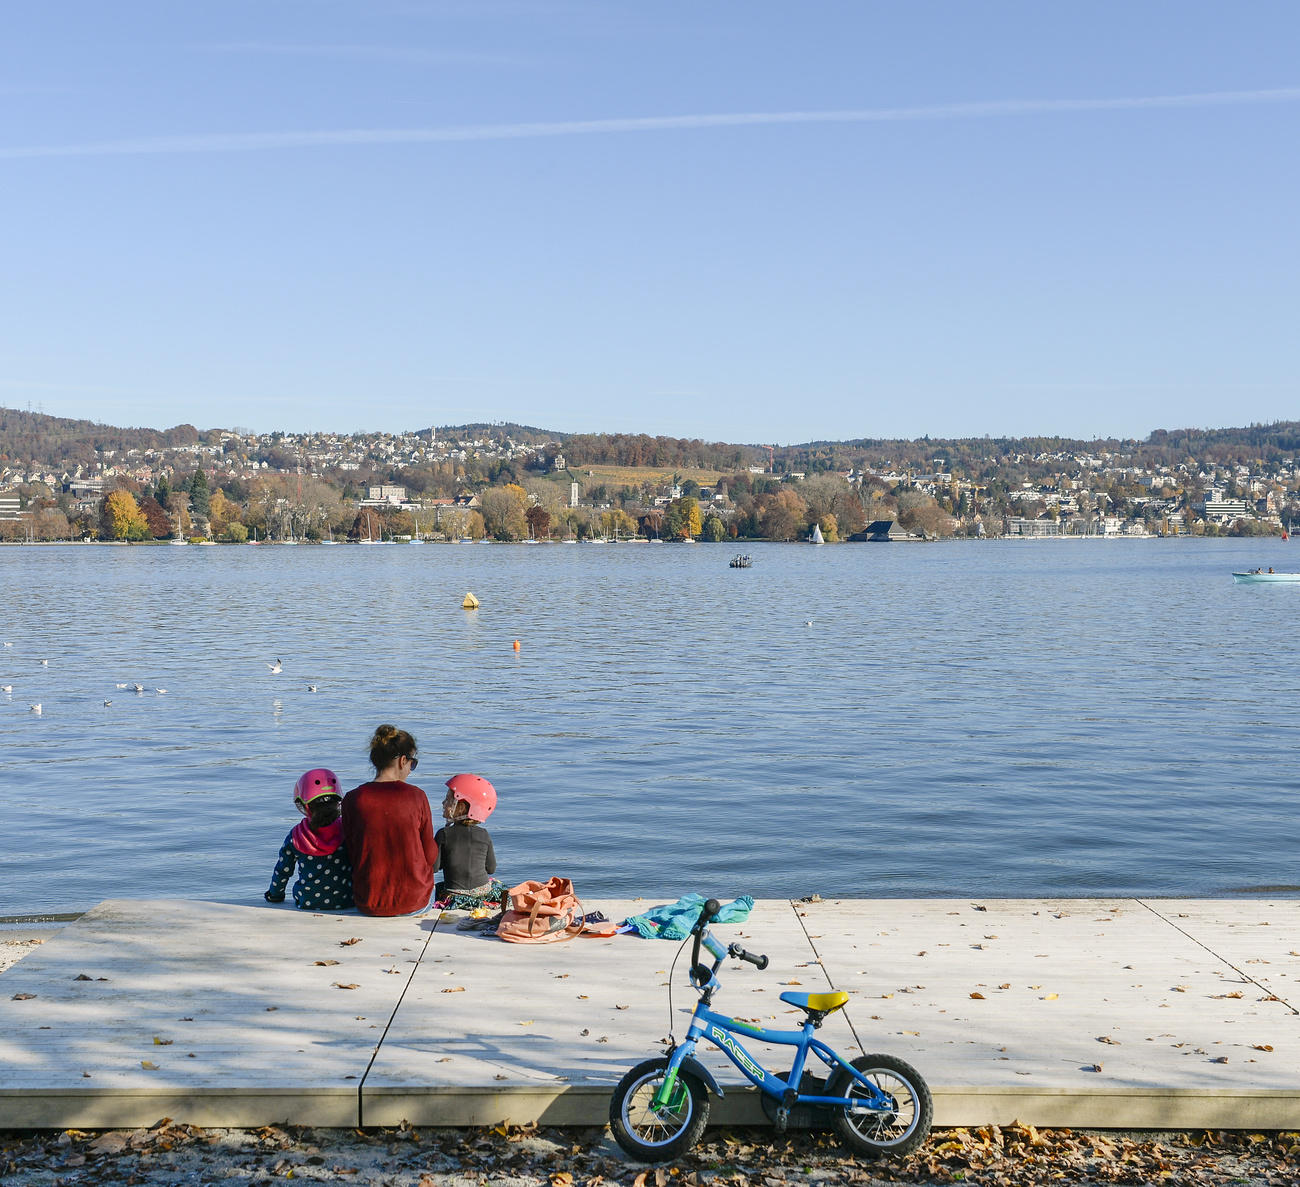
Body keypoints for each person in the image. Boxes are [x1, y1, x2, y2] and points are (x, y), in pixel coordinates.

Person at [341, 725, 438, 916]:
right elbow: (430, 856)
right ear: (403, 761)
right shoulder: (417, 796)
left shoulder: (352, 799)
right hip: (414, 902)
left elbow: (352, 852)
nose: (411, 769)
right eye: (413, 763)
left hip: (368, 902)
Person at [264, 768, 353, 910]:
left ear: (305, 806)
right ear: (338, 802)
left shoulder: (296, 836)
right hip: (346, 899)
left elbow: (282, 871)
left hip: (308, 901)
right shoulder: (348, 830)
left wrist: (275, 895)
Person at [434, 773, 502, 907]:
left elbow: (434, 867)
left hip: (454, 895)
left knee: (438, 888)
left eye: (448, 799)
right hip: (483, 893)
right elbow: (491, 868)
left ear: (462, 807)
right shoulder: (484, 834)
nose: (443, 803)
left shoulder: (443, 834)